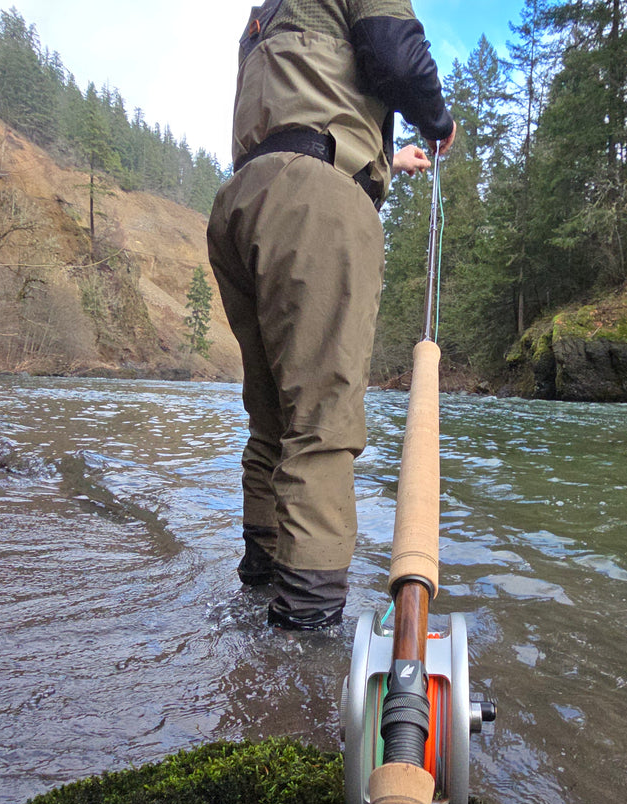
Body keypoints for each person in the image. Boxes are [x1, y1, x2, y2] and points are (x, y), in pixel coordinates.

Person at [206, 0, 457, 630]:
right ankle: (304, 635)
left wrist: (385, 161)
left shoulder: (266, 15)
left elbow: (302, 118)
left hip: (241, 202)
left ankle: (258, 596)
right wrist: (436, 118)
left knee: (272, 424)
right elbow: (394, 53)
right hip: (312, 205)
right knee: (321, 426)